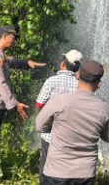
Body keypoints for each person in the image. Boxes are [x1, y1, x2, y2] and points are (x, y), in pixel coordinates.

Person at [35, 60, 109, 185]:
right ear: (99, 84)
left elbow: (40, 126)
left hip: (56, 171)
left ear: (77, 75)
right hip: (85, 174)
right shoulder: (103, 108)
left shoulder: (59, 100)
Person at [0, 25, 46, 150]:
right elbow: (0, 83)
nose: (15, 41)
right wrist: (15, 104)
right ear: (5, 36)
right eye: (13, 38)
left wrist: (27, 63)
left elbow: (11, 61)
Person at [35, 49, 83, 183]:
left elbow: (39, 104)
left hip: (50, 133)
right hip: (72, 135)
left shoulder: (52, 81)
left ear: (63, 64)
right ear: (77, 69)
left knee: (46, 163)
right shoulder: (81, 85)